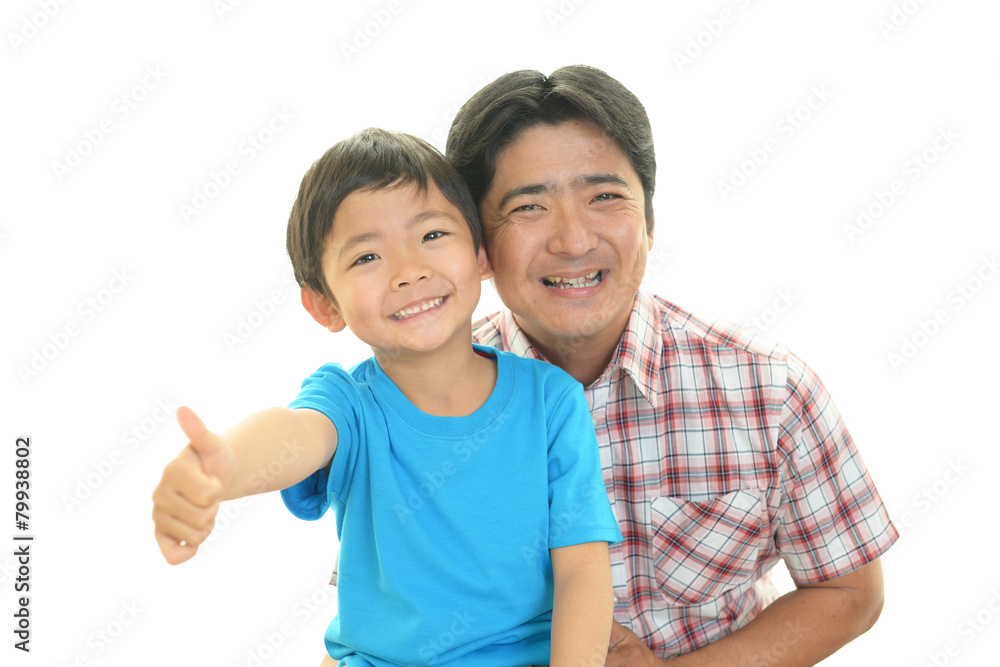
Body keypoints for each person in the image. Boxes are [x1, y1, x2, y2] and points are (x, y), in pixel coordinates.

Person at [443, 65, 899, 665]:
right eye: (529, 207)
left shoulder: (770, 388)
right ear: (477, 245)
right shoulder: (422, 404)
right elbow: (380, 622)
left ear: (650, 221)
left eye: (605, 197)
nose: (573, 241)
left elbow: (849, 593)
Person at [151, 128, 623, 667]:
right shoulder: (347, 403)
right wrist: (224, 466)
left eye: (432, 235)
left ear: (480, 255)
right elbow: (294, 434)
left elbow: (582, 570)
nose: (409, 271)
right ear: (325, 306)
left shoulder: (550, 401)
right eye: (367, 257)